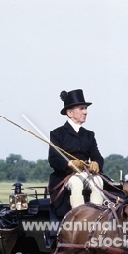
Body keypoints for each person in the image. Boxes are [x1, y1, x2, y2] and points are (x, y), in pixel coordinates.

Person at [48, 89, 105, 219]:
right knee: (76, 183)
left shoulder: (89, 135)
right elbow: (53, 159)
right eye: (81, 108)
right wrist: (70, 163)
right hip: (66, 176)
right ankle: (78, 219)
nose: (85, 112)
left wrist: (96, 163)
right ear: (70, 113)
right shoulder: (57, 134)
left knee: (98, 181)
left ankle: (96, 218)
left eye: (85, 108)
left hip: (87, 173)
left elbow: (97, 156)